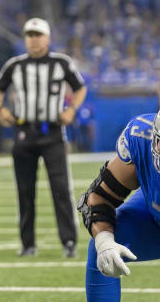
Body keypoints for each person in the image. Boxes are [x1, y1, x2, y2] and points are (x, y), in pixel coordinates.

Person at [0, 17, 87, 258]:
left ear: (48, 38)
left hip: (53, 133)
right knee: (25, 190)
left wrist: (71, 109)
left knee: (61, 189)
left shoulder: (61, 63)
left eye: (38, 35)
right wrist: (0, 109)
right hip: (24, 133)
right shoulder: (15, 65)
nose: (34, 39)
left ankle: (69, 242)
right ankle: (27, 244)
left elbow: (80, 87)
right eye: (30, 35)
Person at [78, 110, 160, 301]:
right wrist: (105, 241)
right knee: (103, 250)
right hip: (153, 210)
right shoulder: (141, 137)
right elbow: (99, 199)